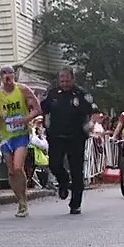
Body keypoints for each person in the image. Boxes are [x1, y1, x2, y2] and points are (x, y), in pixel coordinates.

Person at [0, 65, 43, 217]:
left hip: (21, 134)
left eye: (9, 74)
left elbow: (37, 109)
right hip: (5, 135)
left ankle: (24, 201)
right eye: (4, 75)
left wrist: (26, 119)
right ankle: (20, 201)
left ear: (14, 76)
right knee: (11, 171)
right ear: (1, 77)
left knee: (18, 167)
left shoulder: (22, 90)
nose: (7, 78)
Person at [40, 68, 97, 214]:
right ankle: (64, 181)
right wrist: (46, 122)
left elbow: (94, 112)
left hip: (76, 137)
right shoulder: (52, 94)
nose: (64, 84)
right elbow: (43, 109)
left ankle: (75, 203)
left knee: (77, 170)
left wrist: (90, 125)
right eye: (62, 81)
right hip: (56, 136)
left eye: (67, 81)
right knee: (54, 164)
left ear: (73, 79)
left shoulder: (81, 94)